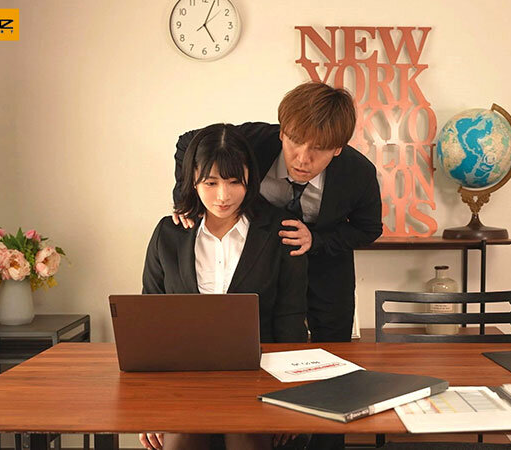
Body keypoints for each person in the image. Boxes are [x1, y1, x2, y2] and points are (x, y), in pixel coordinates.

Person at [173, 82, 383, 345]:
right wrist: (186, 199)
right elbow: (187, 144)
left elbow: (368, 228)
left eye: (318, 148)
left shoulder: (358, 173)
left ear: (338, 148)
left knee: (334, 348)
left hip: (326, 268)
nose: (302, 159)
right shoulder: (254, 141)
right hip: (263, 264)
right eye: (296, 141)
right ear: (282, 133)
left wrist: (316, 240)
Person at [140, 123, 308, 450]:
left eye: (234, 182)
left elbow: (290, 320)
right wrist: (148, 406)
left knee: (247, 436)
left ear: (250, 178)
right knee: (181, 439)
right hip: (183, 381)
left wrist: (292, 400)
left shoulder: (279, 231)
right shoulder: (168, 234)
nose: (223, 196)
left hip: (258, 378)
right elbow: (149, 326)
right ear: (192, 179)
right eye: (211, 182)